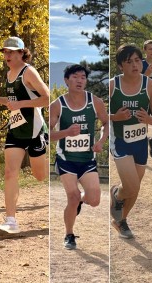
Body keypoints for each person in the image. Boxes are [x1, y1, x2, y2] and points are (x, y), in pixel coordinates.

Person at [0, 37, 49, 236]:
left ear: (22, 52)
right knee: (10, 172)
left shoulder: (28, 71)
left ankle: (67, 179)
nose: (7, 55)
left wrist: (20, 105)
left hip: (34, 130)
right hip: (16, 129)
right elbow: (15, 100)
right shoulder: (9, 74)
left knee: (40, 176)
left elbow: (47, 98)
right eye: (5, 52)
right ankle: (11, 221)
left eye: (11, 52)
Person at [50, 64, 109, 250]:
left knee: (95, 200)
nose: (79, 80)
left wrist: (101, 142)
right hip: (66, 159)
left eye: (83, 77)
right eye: (75, 77)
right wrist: (66, 132)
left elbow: (106, 123)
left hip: (87, 160)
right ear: (67, 80)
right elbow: (47, 135)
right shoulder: (57, 105)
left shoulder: (95, 102)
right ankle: (69, 234)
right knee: (73, 197)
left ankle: (82, 200)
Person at [110, 44, 152, 239]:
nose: (134, 64)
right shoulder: (112, 85)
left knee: (135, 188)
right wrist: (115, 117)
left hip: (140, 142)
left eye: (137, 60)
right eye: (129, 61)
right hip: (121, 142)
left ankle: (121, 221)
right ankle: (116, 194)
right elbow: (98, 114)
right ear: (121, 66)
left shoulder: (150, 85)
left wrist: (149, 120)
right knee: (131, 187)